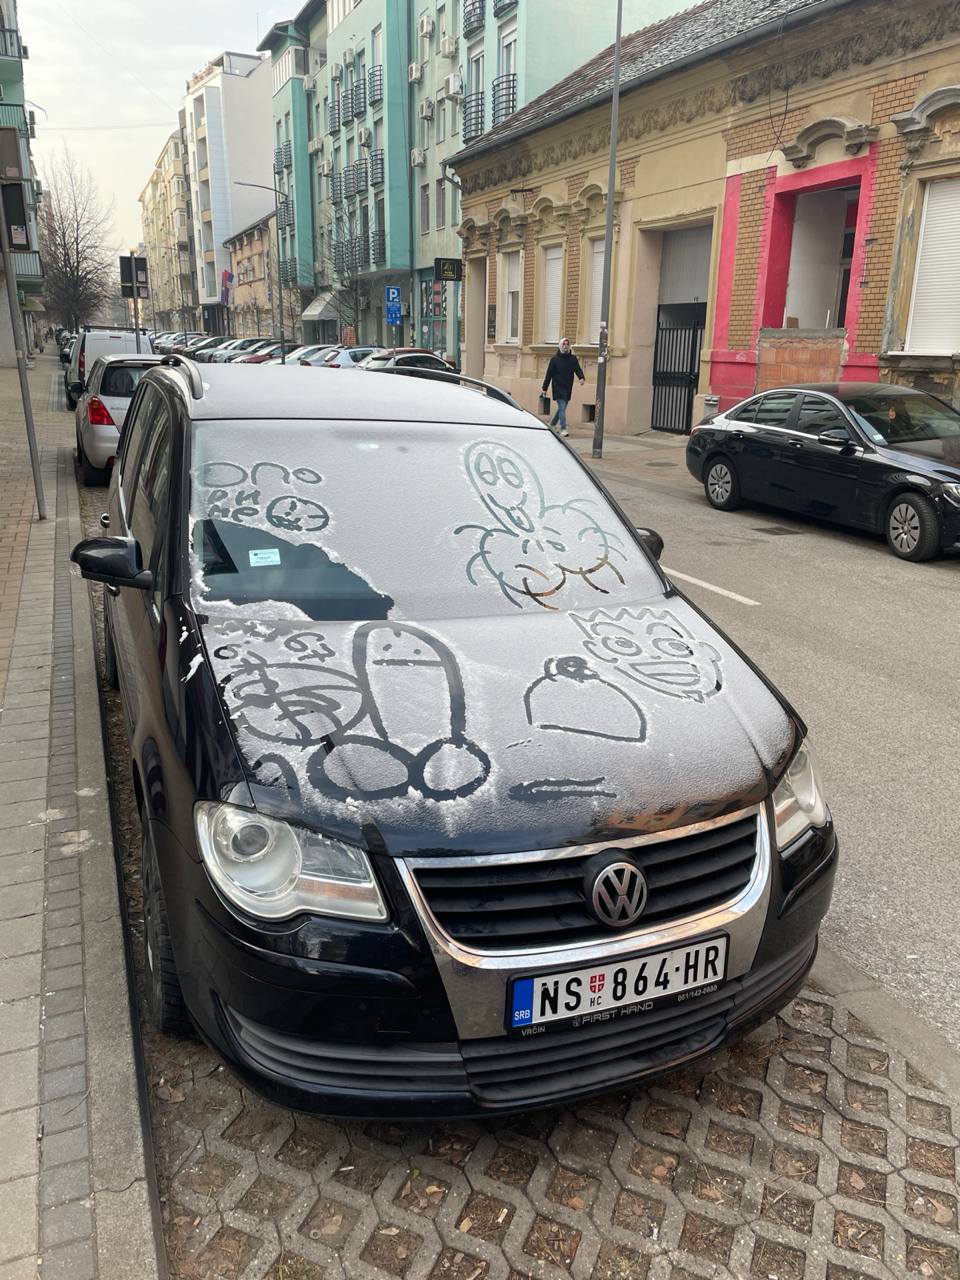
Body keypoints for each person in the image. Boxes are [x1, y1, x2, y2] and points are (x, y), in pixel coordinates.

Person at [541, 338, 585, 436]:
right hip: (558, 386)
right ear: (560, 346)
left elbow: (577, 369)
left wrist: (581, 377)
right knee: (562, 407)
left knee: (562, 408)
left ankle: (552, 424)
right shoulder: (554, 359)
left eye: (567, 344)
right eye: (564, 344)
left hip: (568, 387)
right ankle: (563, 428)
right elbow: (548, 375)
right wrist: (544, 388)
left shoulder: (573, 359)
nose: (565, 346)